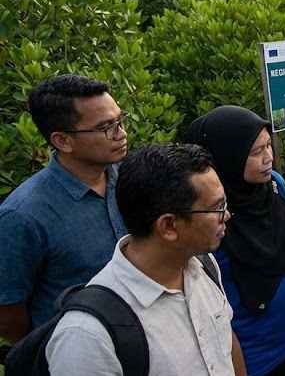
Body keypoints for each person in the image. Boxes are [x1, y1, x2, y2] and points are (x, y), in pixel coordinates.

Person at [45, 143, 246, 375]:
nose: (227, 216)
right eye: (217, 208)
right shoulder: (87, 338)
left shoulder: (203, 265)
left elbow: (225, 344)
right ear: (169, 226)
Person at [0, 74, 129, 344]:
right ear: (62, 141)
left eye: (120, 120)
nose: (121, 133)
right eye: (106, 127)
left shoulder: (132, 178)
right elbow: (9, 312)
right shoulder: (24, 215)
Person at [183, 106, 285, 376]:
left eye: (268, 146)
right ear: (228, 157)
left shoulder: (274, 187)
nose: (268, 158)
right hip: (252, 357)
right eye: (255, 152)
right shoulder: (209, 216)